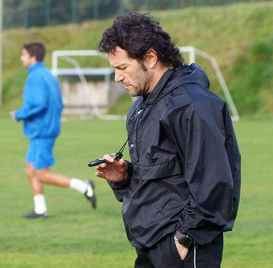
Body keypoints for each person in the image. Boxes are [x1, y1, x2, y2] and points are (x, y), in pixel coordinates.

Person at [93, 13, 241, 267]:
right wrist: (124, 177)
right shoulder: (140, 108)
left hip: (184, 246)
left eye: (122, 68)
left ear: (150, 58)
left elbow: (213, 181)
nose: (117, 77)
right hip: (149, 242)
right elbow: (163, 177)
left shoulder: (192, 104)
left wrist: (184, 239)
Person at [10, 41, 96, 219]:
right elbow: (59, 103)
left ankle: (84, 186)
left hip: (42, 131)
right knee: (30, 169)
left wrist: (19, 114)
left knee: (41, 173)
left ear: (33, 57)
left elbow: (39, 103)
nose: (21, 58)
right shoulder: (48, 75)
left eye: (23, 55)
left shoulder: (35, 76)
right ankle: (41, 210)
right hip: (45, 129)